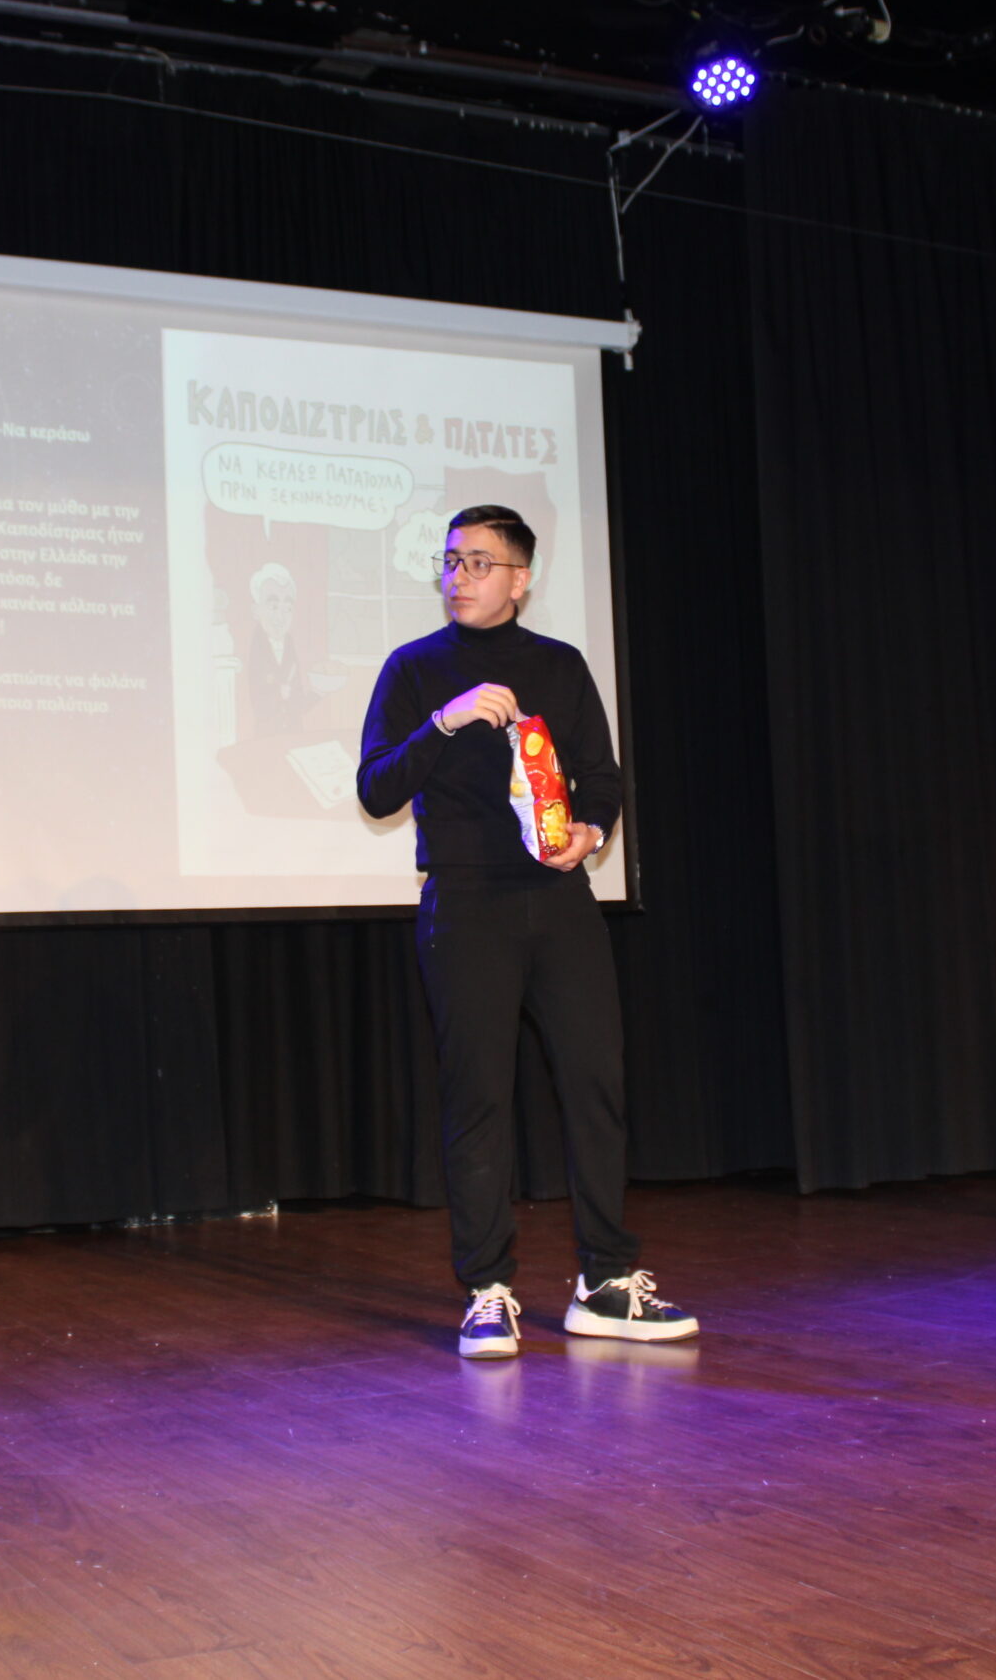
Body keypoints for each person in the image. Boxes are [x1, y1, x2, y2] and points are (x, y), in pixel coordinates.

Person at [357, 504, 697, 1356]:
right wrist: (446, 720)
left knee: (594, 1081)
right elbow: (376, 788)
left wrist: (591, 831)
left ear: (521, 578)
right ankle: (487, 1289)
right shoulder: (414, 669)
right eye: (450, 561)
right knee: (478, 1095)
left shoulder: (560, 665)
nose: (459, 576)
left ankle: (606, 1282)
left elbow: (602, 779)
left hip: (558, 900)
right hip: (466, 901)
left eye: (479, 562)